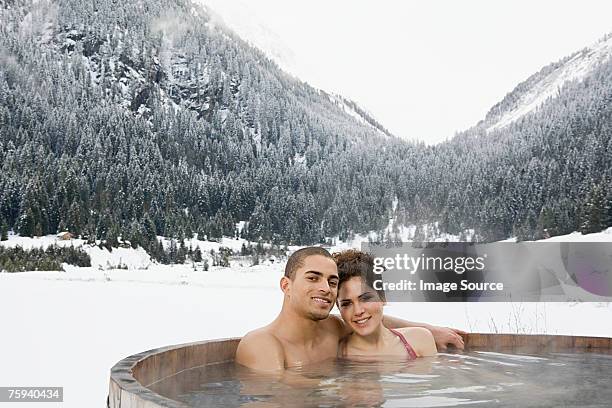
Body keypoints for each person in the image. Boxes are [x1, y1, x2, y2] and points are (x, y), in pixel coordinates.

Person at [235, 247, 465, 371]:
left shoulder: (333, 328)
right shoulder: (262, 344)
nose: (325, 288)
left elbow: (372, 319)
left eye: (332, 282)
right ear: (286, 285)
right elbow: (282, 395)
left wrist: (430, 329)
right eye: (313, 278)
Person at [335, 249, 436, 359]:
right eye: (346, 304)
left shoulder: (419, 339)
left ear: (382, 297)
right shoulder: (336, 354)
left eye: (366, 298)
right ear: (338, 307)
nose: (358, 311)